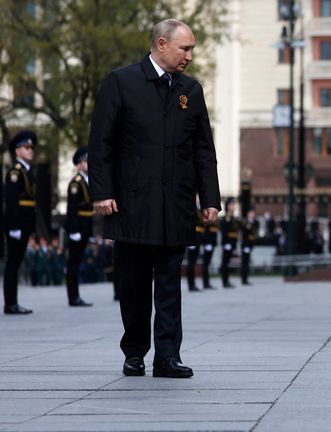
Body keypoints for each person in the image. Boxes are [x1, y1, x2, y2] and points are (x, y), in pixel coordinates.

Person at [88, 19, 221, 379]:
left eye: (192, 49)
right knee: (132, 283)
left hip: (174, 205)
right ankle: (134, 352)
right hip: (131, 203)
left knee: (168, 283)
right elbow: (100, 142)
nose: (190, 56)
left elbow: (203, 149)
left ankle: (168, 356)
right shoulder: (122, 82)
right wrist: (101, 192)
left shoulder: (190, 91)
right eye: (185, 48)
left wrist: (210, 197)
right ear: (161, 45)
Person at [3, 130, 37, 315]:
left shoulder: (27, 171)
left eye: (31, 147)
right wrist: (14, 226)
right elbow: (12, 201)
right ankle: (10, 304)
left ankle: (13, 302)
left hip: (25, 223)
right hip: (17, 224)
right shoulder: (15, 173)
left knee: (16, 264)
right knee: (12, 265)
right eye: (26, 147)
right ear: (17, 151)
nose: (30, 150)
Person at [65, 146, 94, 306]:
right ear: (79, 165)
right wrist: (73, 230)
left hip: (85, 226)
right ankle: (73, 296)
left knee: (77, 261)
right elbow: (72, 210)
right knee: (73, 263)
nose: (88, 163)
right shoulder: (76, 183)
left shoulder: (87, 181)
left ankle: (76, 295)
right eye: (85, 161)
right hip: (78, 227)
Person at [218, 198, 238, 288]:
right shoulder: (226, 217)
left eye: (233, 205)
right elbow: (224, 231)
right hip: (226, 243)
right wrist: (226, 243)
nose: (233, 206)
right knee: (225, 263)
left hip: (231, 244)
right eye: (231, 204)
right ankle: (224, 281)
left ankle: (226, 281)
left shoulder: (233, 218)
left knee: (227, 263)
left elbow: (234, 232)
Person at [185, 212, 205, 292]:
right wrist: (189, 238)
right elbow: (188, 222)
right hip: (193, 237)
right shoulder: (192, 207)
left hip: (198, 238)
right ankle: (191, 284)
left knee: (194, 262)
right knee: (191, 262)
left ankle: (193, 284)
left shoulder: (199, 209)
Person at [240, 208, 258, 285]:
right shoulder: (245, 222)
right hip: (245, 245)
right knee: (244, 262)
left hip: (250, 245)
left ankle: (246, 278)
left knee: (247, 262)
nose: (252, 214)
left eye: (253, 213)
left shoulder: (254, 222)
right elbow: (244, 234)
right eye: (251, 213)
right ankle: (244, 279)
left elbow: (254, 234)